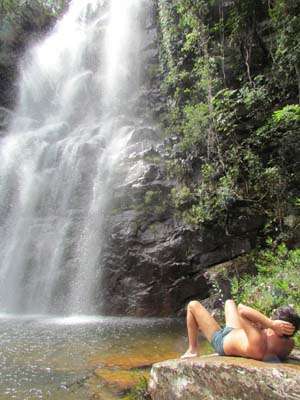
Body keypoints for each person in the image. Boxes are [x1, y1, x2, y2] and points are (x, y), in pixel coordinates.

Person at [181, 299, 299, 361]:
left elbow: (242, 309)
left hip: (222, 340)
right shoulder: (289, 344)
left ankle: (192, 350)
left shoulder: (258, 340)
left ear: (277, 328)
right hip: (235, 331)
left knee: (192, 305)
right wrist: (267, 325)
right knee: (229, 302)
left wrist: (271, 323)